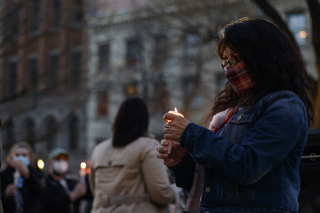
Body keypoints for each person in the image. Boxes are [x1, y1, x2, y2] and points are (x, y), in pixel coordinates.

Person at [157, 18, 314, 213]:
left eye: (235, 59)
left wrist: (191, 134)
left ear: (262, 56)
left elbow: (248, 167)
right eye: (225, 62)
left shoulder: (285, 105)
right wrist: (181, 162)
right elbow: (214, 189)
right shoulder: (231, 111)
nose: (229, 69)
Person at [89, 97, 176, 213]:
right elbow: (160, 193)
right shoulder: (147, 146)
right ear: (144, 120)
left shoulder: (99, 149)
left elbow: (94, 189)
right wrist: (176, 193)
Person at [41, 147, 89, 213]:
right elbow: (49, 205)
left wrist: (88, 176)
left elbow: (89, 195)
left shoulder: (72, 182)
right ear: (49, 162)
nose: (62, 162)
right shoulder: (45, 183)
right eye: (58, 159)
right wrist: (72, 196)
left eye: (64, 159)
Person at [0, 141, 43, 213]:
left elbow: (41, 193)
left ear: (29, 157)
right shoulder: (4, 175)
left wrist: (28, 175)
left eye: (24, 155)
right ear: (12, 157)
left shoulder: (36, 174)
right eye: (17, 155)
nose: (20, 158)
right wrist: (6, 195)